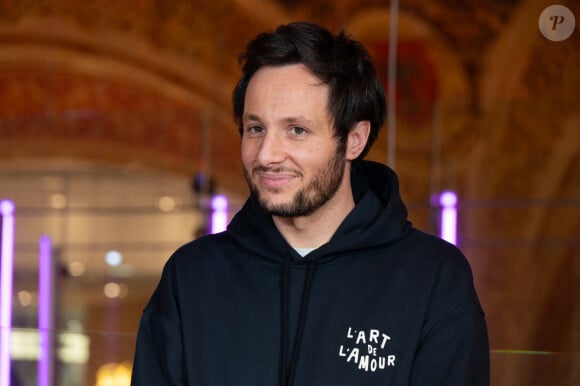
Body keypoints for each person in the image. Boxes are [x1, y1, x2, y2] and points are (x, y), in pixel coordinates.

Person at [131, 22, 489, 386]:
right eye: (256, 128)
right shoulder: (192, 277)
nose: (267, 155)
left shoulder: (432, 280)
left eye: (296, 130)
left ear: (354, 139)